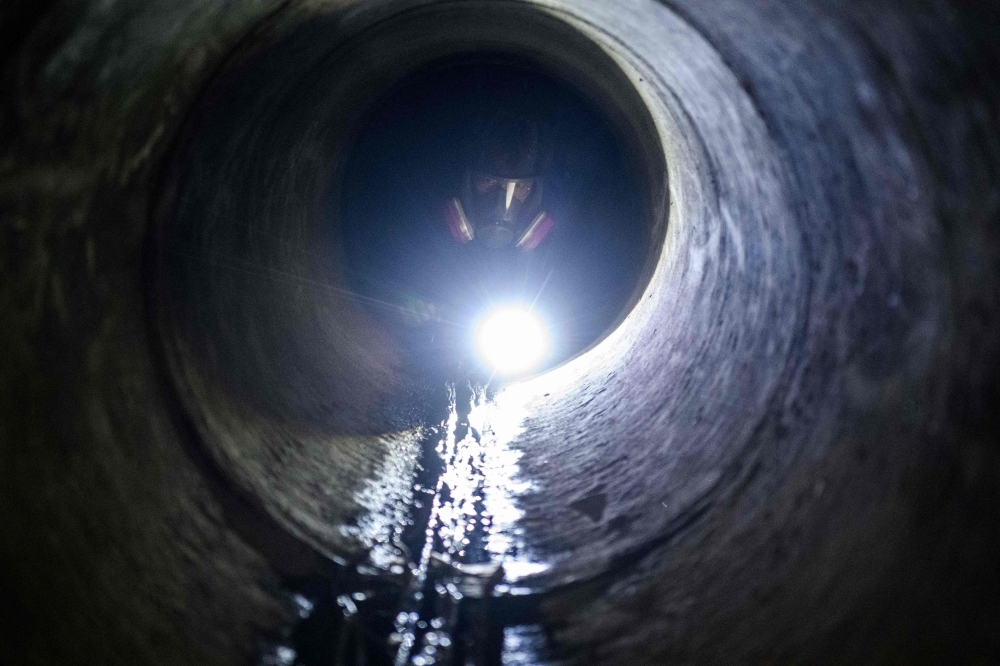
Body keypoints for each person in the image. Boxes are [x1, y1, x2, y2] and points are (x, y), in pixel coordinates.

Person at [443, 111, 555, 252]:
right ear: (468, 183)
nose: (500, 201)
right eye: (488, 180)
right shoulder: (434, 235)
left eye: (518, 186)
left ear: (535, 192)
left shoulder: (554, 248)